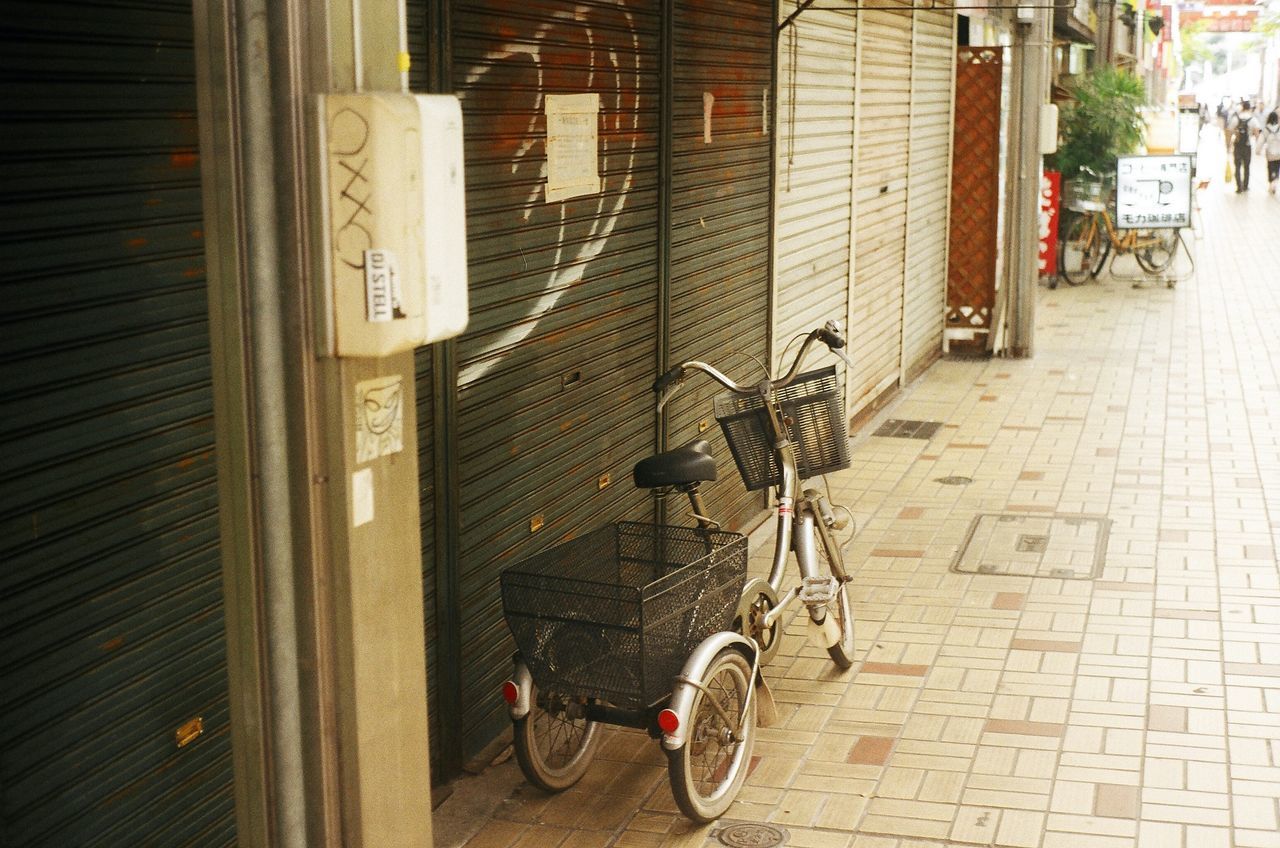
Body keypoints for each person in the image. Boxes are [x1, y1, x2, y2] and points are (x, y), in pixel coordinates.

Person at [1228, 100, 1261, 192]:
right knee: (1246, 166)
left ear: (1242, 107)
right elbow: (1257, 133)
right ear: (1249, 108)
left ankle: (1239, 187)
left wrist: (1229, 144)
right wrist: (1258, 146)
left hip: (1237, 145)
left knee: (1237, 166)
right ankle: (1245, 186)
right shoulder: (1253, 119)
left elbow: (1230, 130)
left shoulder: (1236, 118)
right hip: (1247, 145)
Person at [1261, 111, 1280, 195]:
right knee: (1277, 167)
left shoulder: (1266, 129)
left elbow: (1261, 140)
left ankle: (1271, 182)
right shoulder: (1279, 128)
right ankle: (1275, 180)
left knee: (1270, 167)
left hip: (1270, 153)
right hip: (1279, 152)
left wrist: (1257, 150)